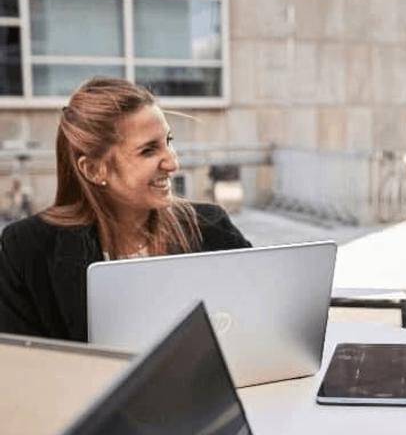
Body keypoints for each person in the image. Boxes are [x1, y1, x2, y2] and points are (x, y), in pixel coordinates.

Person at [0, 78, 251, 342]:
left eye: (168, 140)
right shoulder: (27, 251)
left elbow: (259, 320)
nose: (172, 162)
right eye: (148, 150)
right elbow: (20, 368)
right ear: (94, 170)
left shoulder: (211, 228)